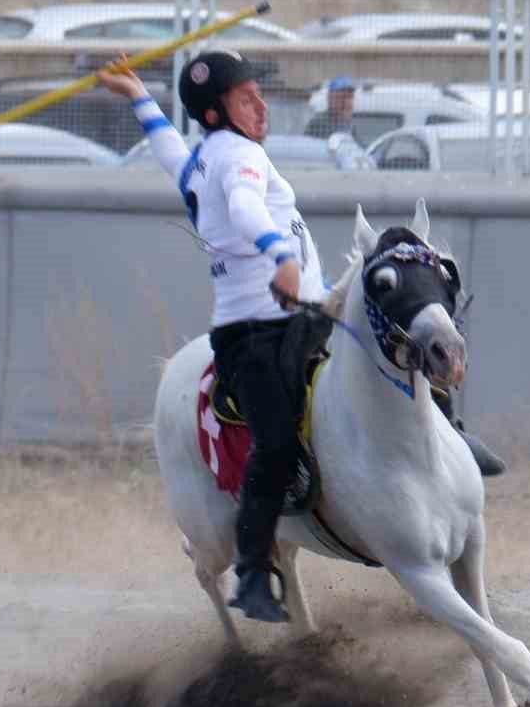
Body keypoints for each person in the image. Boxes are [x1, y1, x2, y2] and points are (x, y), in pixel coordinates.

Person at [94, 50, 503, 623]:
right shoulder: (238, 160)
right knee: (277, 445)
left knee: (396, 349)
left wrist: (141, 99)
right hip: (257, 336)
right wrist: (279, 255)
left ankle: (450, 434)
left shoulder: (205, 159)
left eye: (257, 93)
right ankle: (257, 571)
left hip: (303, 318)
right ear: (216, 115)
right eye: (245, 98)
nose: (261, 105)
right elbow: (243, 208)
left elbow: (169, 153)